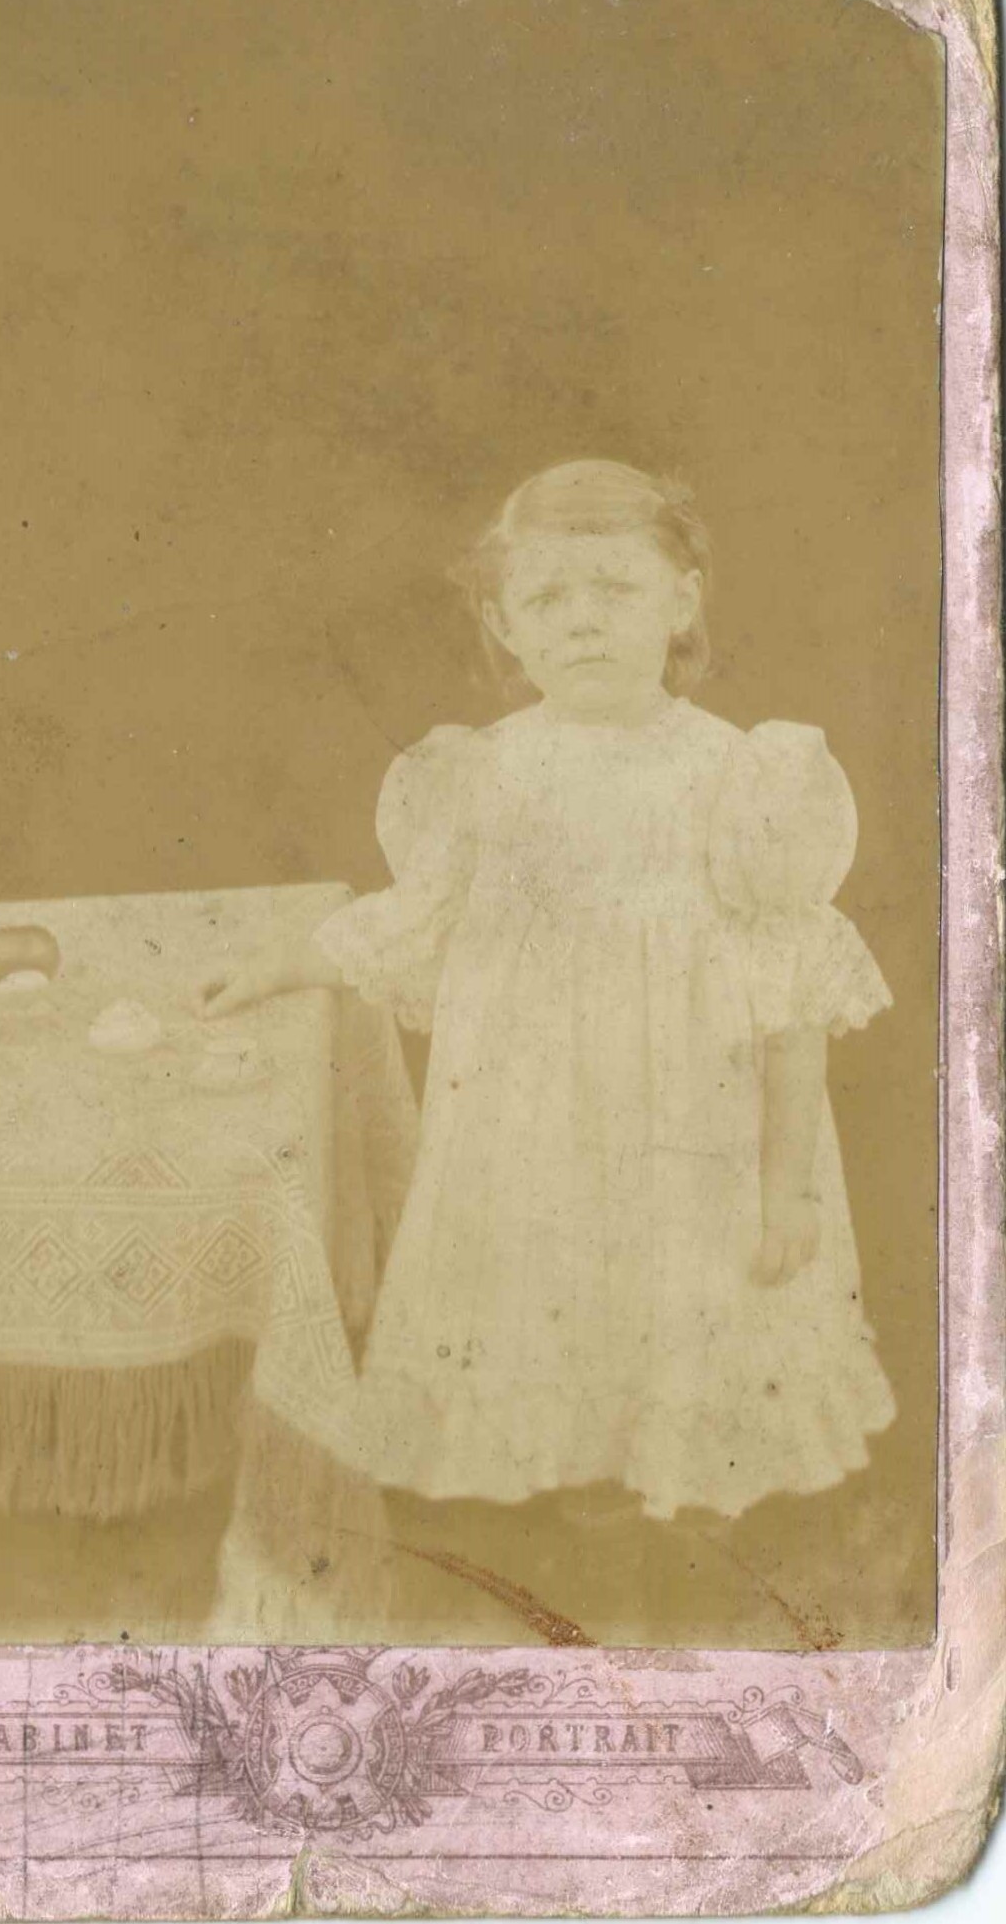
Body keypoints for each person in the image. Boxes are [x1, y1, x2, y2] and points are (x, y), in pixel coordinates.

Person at [199, 459, 895, 1527]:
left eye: (613, 588)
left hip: (693, 1128)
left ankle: (690, 1456)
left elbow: (791, 999)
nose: (582, 621)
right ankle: (571, 1453)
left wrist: (788, 1186)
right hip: (530, 1127)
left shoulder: (741, 782)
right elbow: (406, 921)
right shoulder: (477, 775)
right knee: (547, 1277)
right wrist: (278, 965)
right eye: (547, 598)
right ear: (504, 624)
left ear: (680, 599)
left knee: (690, 1280)